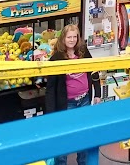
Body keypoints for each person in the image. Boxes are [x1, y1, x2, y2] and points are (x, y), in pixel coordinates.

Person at [44, 24, 102, 165]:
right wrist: (50, 113)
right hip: (67, 105)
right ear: (63, 39)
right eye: (69, 37)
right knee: (63, 139)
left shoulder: (83, 51)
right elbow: (50, 88)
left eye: (74, 36)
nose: (72, 40)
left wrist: (98, 93)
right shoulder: (56, 58)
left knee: (84, 137)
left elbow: (93, 71)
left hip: (84, 101)